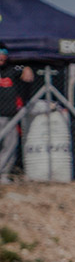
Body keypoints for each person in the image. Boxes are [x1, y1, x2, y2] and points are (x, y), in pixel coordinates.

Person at [0, 46, 37, 181]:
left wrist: (26, 69)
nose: (2, 56)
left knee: (10, 145)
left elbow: (26, 74)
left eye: (4, 53)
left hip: (10, 116)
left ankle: (3, 174)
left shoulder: (10, 70)